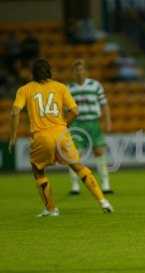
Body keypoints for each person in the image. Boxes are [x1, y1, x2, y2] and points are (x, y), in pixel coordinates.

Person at [8, 59, 113, 217]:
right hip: (62, 134)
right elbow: (75, 111)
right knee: (78, 167)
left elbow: (15, 112)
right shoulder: (60, 87)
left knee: (38, 171)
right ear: (49, 71)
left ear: (33, 73)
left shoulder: (24, 90)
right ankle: (103, 201)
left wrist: (13, 137)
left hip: (41, 136)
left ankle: (51, 209)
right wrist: (65, 125)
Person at [68, 59, 113, 195]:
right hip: (77, 124)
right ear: (73, 72)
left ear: (85, 71)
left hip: (93, 122)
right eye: (76, 70)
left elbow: (104, 104)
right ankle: (75, 186)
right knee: (75, 155)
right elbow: (66, 110)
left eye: (81, 69)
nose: (79, 72)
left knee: (99, 151)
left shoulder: (95, 85)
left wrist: (108, 121)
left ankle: (105, 184)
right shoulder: (69, 89)